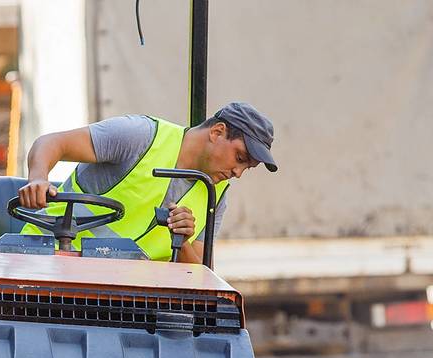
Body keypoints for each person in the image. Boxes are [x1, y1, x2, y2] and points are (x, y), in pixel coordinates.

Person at [16, 101, 277, 263]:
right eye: (239, 158)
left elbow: (199, 275)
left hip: (125, 299)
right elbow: (52, 143)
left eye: (247, 167)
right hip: (47, 262)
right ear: (217, 132)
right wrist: (38, 179)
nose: (238, 173)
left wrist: (183, 240)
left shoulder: (215, 194)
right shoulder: (138, 136)